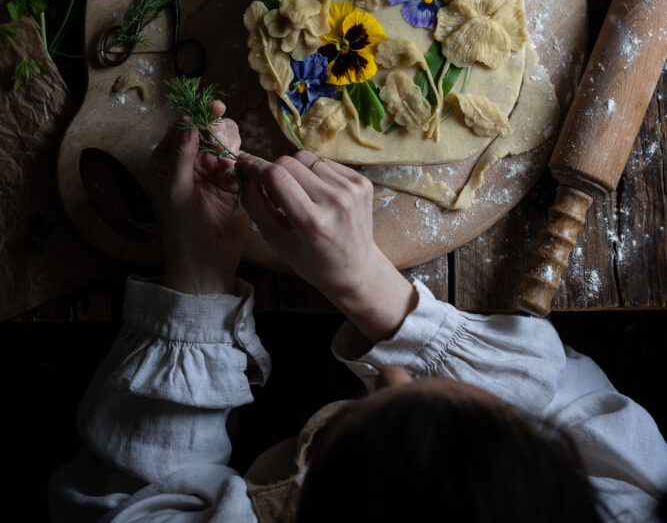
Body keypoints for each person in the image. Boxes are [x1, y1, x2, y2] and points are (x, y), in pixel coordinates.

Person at [49, 101, 667, 522]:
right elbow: (570, 403)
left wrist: (197, 282)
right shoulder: (631, 502)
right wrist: (376, 291)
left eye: (369, 410)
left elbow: (127, 504)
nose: (392, 373)